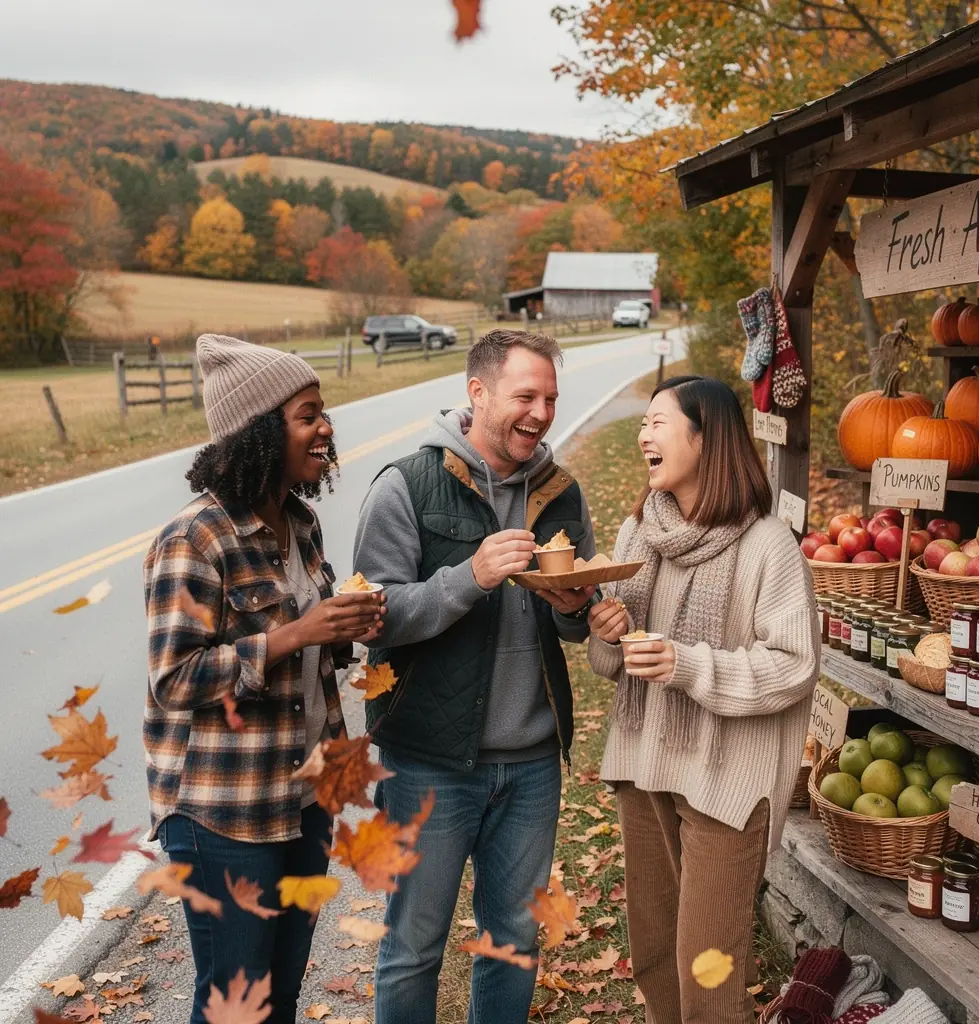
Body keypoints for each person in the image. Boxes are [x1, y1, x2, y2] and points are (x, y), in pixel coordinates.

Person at [352, 328, 597, 1024]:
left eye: (551, 398)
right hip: (427, 760)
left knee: (514, 939)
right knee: (415, 945)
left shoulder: (561, 492)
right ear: (478, 392)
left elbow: (576, 620)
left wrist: (579, 607)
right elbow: (373, 617)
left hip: (530, 765)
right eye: (526, 395)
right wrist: (469, 577)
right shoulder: (406, 485)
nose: (542, 413)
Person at [143, 334, 385, 1024]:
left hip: (303, 794)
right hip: (225, 810)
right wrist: (296, 634)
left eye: (323, 412)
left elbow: (314, 654)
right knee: (234, 1003)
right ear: (258, 431)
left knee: (278, 997)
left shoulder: (301, 524)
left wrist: (349, 628)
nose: (325, 429)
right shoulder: (195, 539)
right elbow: (176, 678)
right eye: (308, 415)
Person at [587, 375, 820, 1023]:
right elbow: (613, 662)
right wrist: (607, 632)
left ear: (705, 437)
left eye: (658, 422)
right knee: (656, 950)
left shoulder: (766, 545)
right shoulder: (642, 532)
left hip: (726, 783)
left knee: (708, 966)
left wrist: (687, 665)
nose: (643, 435)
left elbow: (794, 665)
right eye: (643, 424)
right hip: (645, 764)